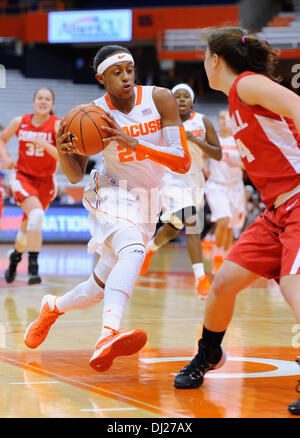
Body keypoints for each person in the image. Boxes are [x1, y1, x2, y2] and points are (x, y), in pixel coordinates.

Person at [23, 45, 191, 372]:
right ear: (101, 77)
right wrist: (64, 151)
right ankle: (107, 335)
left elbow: (183, 162)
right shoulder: (92, 114)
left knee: (95, 289)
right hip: (111, 190)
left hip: (148, 198)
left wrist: (136, 144)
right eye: (118, 72)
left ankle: (52, 307)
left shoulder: (159, 98)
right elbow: (74, 174)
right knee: (133, 249)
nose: (126, 76)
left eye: (129, 69)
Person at [174, 27, 300, 397]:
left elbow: (297, 105)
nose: (203, 64)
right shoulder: (233, 100)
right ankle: (209, 353)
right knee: (224, 285)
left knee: (294, 288)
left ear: (215, 60)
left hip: (298, 201)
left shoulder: (246, 84)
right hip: (274, 213)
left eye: (204, 57)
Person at [140, 83, 221, 298]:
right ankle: (200, 279)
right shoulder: (161, 122)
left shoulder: (202, 122)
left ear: (192, 100)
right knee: (193, 220)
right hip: (170, 179)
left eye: (186, 96)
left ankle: (150, 249)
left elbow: (218, 154)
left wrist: (196, 141)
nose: (182, 99)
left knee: (173, 228)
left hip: (194, 182)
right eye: (177, 96)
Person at [0, 88, 60, 284]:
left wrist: (45, 144)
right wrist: (7, 158)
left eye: (47, 99)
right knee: (36, 216)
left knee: (26, 230)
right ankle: (33, 269)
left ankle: (14, 259)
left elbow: (64, 156)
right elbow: (2, 138)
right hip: (22, 177)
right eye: (40, 98)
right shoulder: (20, 121)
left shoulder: (57, 125)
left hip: (46, 184)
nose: (43, 101)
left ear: (52, 104)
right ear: (34, 101)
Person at [205, 109, 246, 273]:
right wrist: (205, 165)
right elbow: (201, 154)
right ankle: (217, 256)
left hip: (235, 186)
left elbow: (248, 163)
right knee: (223, 220)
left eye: (228, 118)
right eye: (221, 117)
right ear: (218, 120)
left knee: (229, 226)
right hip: (216, 185)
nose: (224, 121)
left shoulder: (240, 139)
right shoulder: (212, 138)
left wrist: (237, 163)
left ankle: (225, 258)